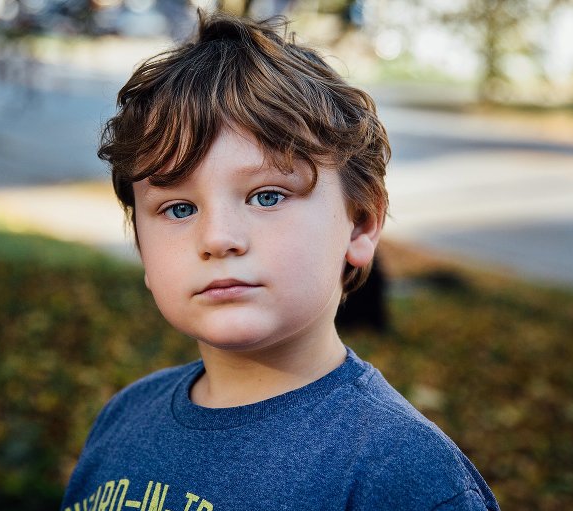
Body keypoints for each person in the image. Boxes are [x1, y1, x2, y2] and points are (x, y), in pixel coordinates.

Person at [61, 11, 500, 511]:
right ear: (141, 245)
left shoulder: (400, 474)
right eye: (178, 208)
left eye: (266, 196)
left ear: (359, 226)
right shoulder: (124, 417)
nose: (218, 239)